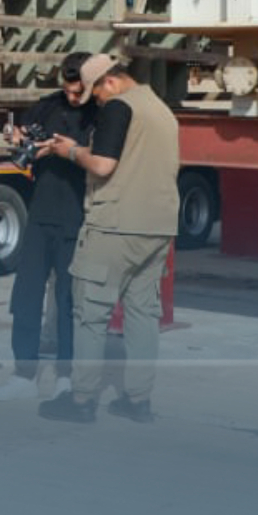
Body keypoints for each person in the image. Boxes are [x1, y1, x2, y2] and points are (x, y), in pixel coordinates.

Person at [37, 54, 179, 425]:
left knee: (90, 314)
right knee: (143, 313)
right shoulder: (160, 109)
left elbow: (103, 165)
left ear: (110, 82)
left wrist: (69, 151)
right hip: (159, 226)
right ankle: (138, 400)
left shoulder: (118, 107)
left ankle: (82, 399)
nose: (96, 103)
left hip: (115, 225)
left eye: (95, 95)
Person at [0, 51, 94, 402]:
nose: (73, 97)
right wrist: (19, 137)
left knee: (68, 300)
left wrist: (66, 150)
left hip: (77, 217)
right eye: (67, 90)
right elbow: (20, 136)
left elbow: (104, 160)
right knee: (26, 296)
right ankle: (23, 374)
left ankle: (66, 375)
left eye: (78, 91)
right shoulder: (47, 106)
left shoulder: (101, 113)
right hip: (40, 213)